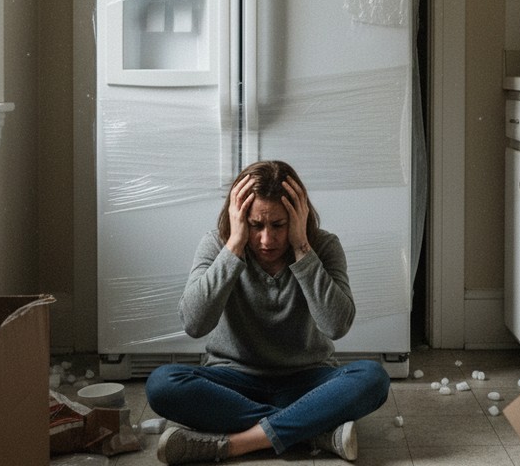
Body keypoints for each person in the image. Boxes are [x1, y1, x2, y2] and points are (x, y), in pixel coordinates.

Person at [146, 160, 390, 465]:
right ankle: (312, 431)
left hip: (306, 382)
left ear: (298, 217)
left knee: (373, 377)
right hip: (233, 382)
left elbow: (336, 325)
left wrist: (302, 248)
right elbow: (194, 324)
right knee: (162, 384)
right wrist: (234, 247)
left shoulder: (323, 246)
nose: (266, 239)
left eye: (278, 225)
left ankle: (239, 443)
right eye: (255, 225)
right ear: (238, 218)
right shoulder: (216, 244)